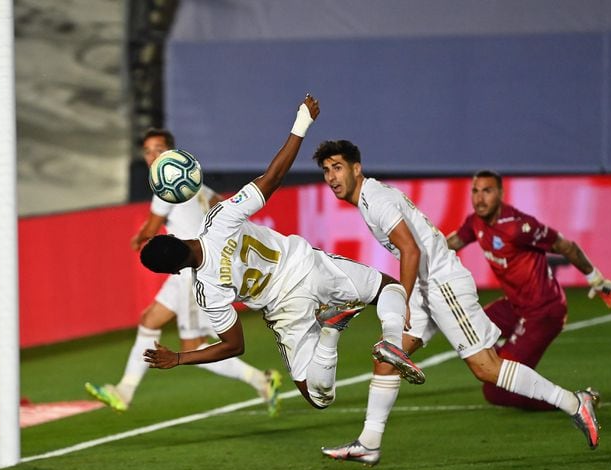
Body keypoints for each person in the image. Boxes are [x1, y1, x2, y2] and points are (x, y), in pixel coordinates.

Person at [312, 140, 601, 465]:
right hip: (426, 287)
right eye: (326, 170)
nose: (331, 176)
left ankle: (575, 403)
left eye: (337, 167)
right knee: (386, 357)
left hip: (441, 285)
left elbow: (411, 250)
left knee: (486, 368)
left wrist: (402, 299)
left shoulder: (376, 199)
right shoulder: (371, 198)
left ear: (356, 168)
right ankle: (369, 443)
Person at [140, 95, 425, 413]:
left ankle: (331, 330)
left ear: (176, 271)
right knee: (389, 288)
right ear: (178, 236)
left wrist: (179, 358)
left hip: (285, 309)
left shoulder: (206, 289)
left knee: (319, 398)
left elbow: (234, 346)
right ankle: (391, 339)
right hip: (306, 264)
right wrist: (302, 122)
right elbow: (273, 178)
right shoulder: (219, 218)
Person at [85, 128, 282, 416]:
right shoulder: (193, 184)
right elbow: (221, 206)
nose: (153, 156)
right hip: (185, 267)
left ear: (171, 152)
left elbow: (151, 228)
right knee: (149, 319)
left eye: (159, 149)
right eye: (148, 151)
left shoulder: (165, 185)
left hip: (192, 271)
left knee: (194, 346)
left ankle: (260, 380)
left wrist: (139, 239)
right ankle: (124, 391)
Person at [444, 169, 611, 410]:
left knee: (497, 391)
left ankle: (575, 401)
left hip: (543, 312)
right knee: (467, 327)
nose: (479, 198)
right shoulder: (475, 222)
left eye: (487, 191)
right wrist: (420, 251)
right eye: (475, 191)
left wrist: (597, 280)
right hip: (515, 305)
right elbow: (451, 243)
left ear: (500, 193)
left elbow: (566, 246)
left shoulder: (520, 227)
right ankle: (509, 360)